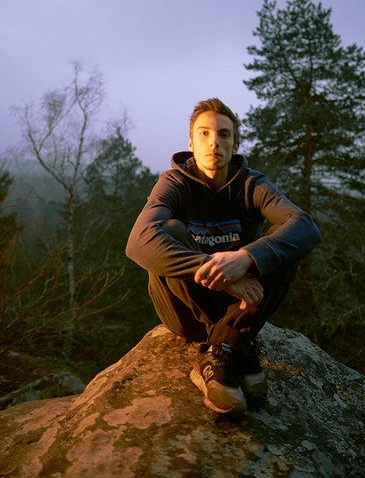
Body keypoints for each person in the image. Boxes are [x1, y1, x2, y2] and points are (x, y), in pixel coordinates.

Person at [126, 98, 321, 417]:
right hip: (185, 311)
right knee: (170, 230)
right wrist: (216, 271)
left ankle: (221, 350)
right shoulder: (174, 183)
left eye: (224, 135)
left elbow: (305, 226)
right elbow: (138, 241)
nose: (214, 141)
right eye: (204, 133)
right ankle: (238, 343)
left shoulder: (252, 184)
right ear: (191, 142)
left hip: (240, 306)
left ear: (235, 144)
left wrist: (247, 257)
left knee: (284, 241)